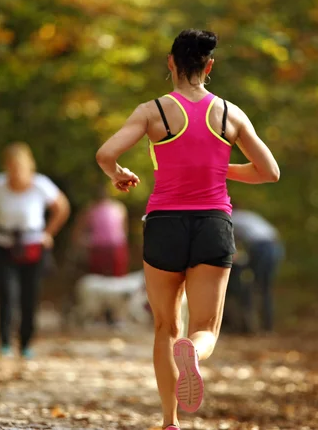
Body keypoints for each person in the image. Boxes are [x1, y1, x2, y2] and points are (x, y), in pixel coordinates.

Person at [96, 29, 280, 430]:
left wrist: (118, 174)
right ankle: (194, 353)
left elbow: (106, 153)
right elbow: (270, 172)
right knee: (204, 329)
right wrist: (217, 169)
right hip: (213, 223)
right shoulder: (231, 113)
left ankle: (169, 421)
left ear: (170, 63)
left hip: (164, 224)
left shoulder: (152, 111)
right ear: (209, 66)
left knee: (165, 326)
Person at [0, 142, 70, 359]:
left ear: (29, 166)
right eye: (11, 167)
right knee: (7, 294)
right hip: (3, 244)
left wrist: (49, 233)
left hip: (33, 245)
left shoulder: (41, 185)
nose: (16, 172)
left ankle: (26, 342)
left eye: (19, 167)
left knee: (30, 296)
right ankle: (5, 342)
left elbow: (62, 208)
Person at [229, 208, 284, 334]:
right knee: (264, 287)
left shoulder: (233, 218)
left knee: (250, 286)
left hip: (262, 247)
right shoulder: (247, 215)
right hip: (276, 246)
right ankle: (267, 326)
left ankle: (251, 325)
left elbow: (227, 242)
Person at [72, 186, 129, 278]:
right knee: (101, 278)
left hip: (113, 248)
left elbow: (124, 230)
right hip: (102, 249)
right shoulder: (91, 209)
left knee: (114, 278)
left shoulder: (118, 208)